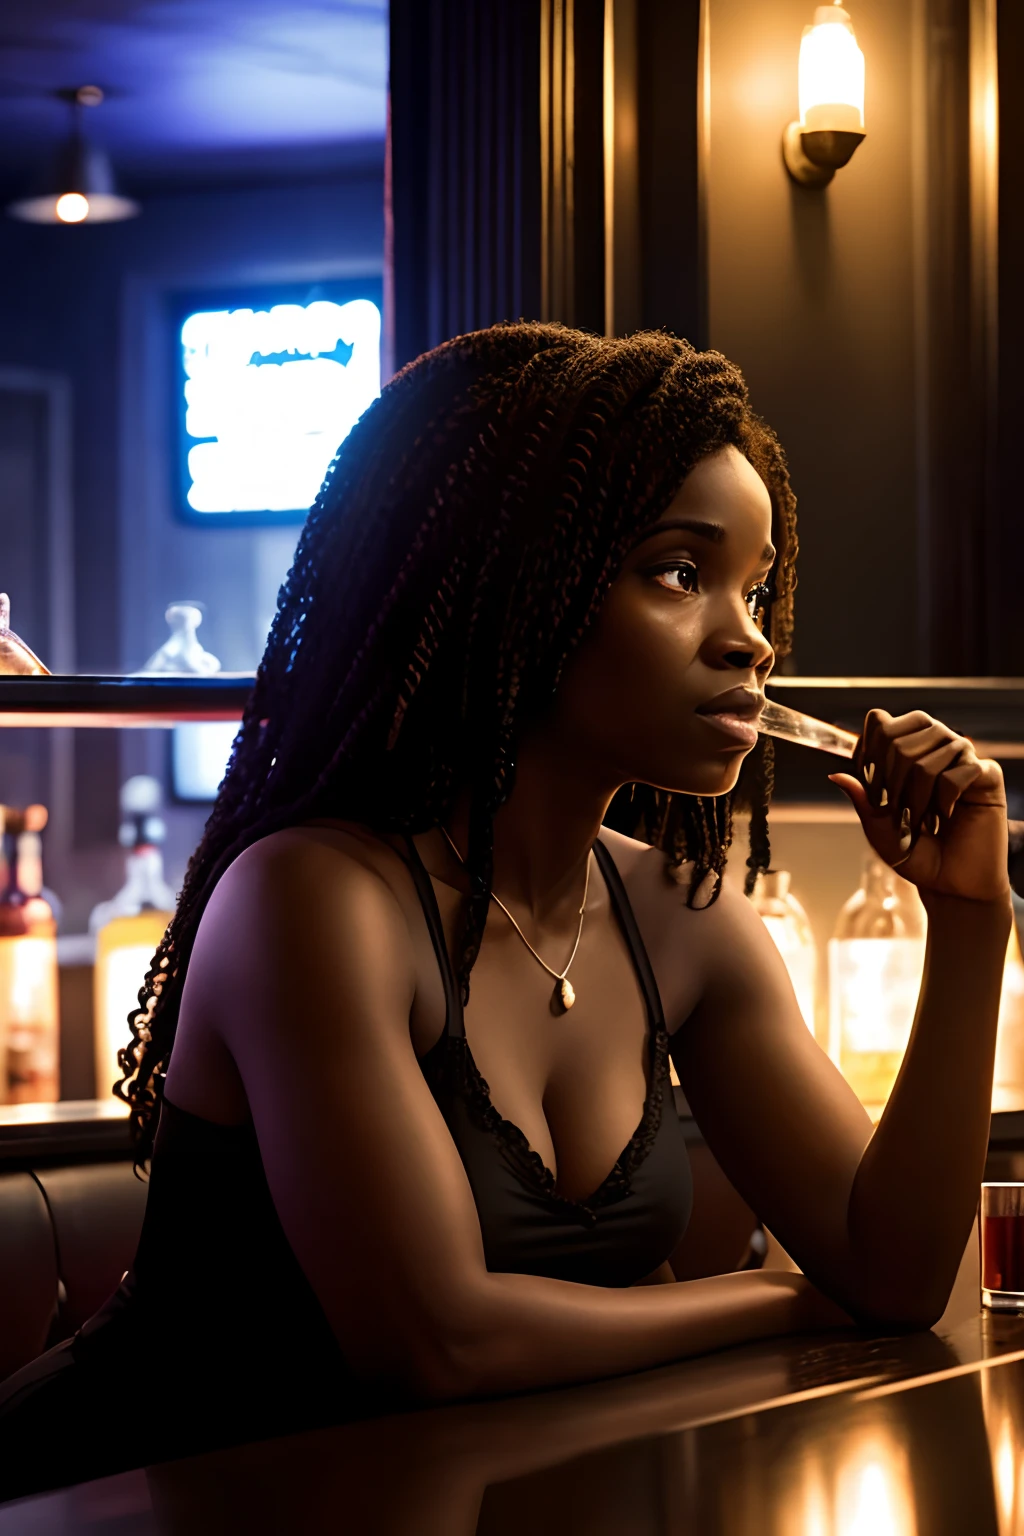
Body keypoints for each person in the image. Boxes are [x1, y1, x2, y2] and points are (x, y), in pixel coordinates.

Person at [0, 323, 1011, 1499]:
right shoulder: (314, 899)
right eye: (680, 573)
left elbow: (890, 1273)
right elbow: (437, 1342)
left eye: (758, 587)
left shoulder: (677, 914)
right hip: (130, 1493)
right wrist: (777, 1294)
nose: (749, 639)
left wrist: (973, 921)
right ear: (519, 581)